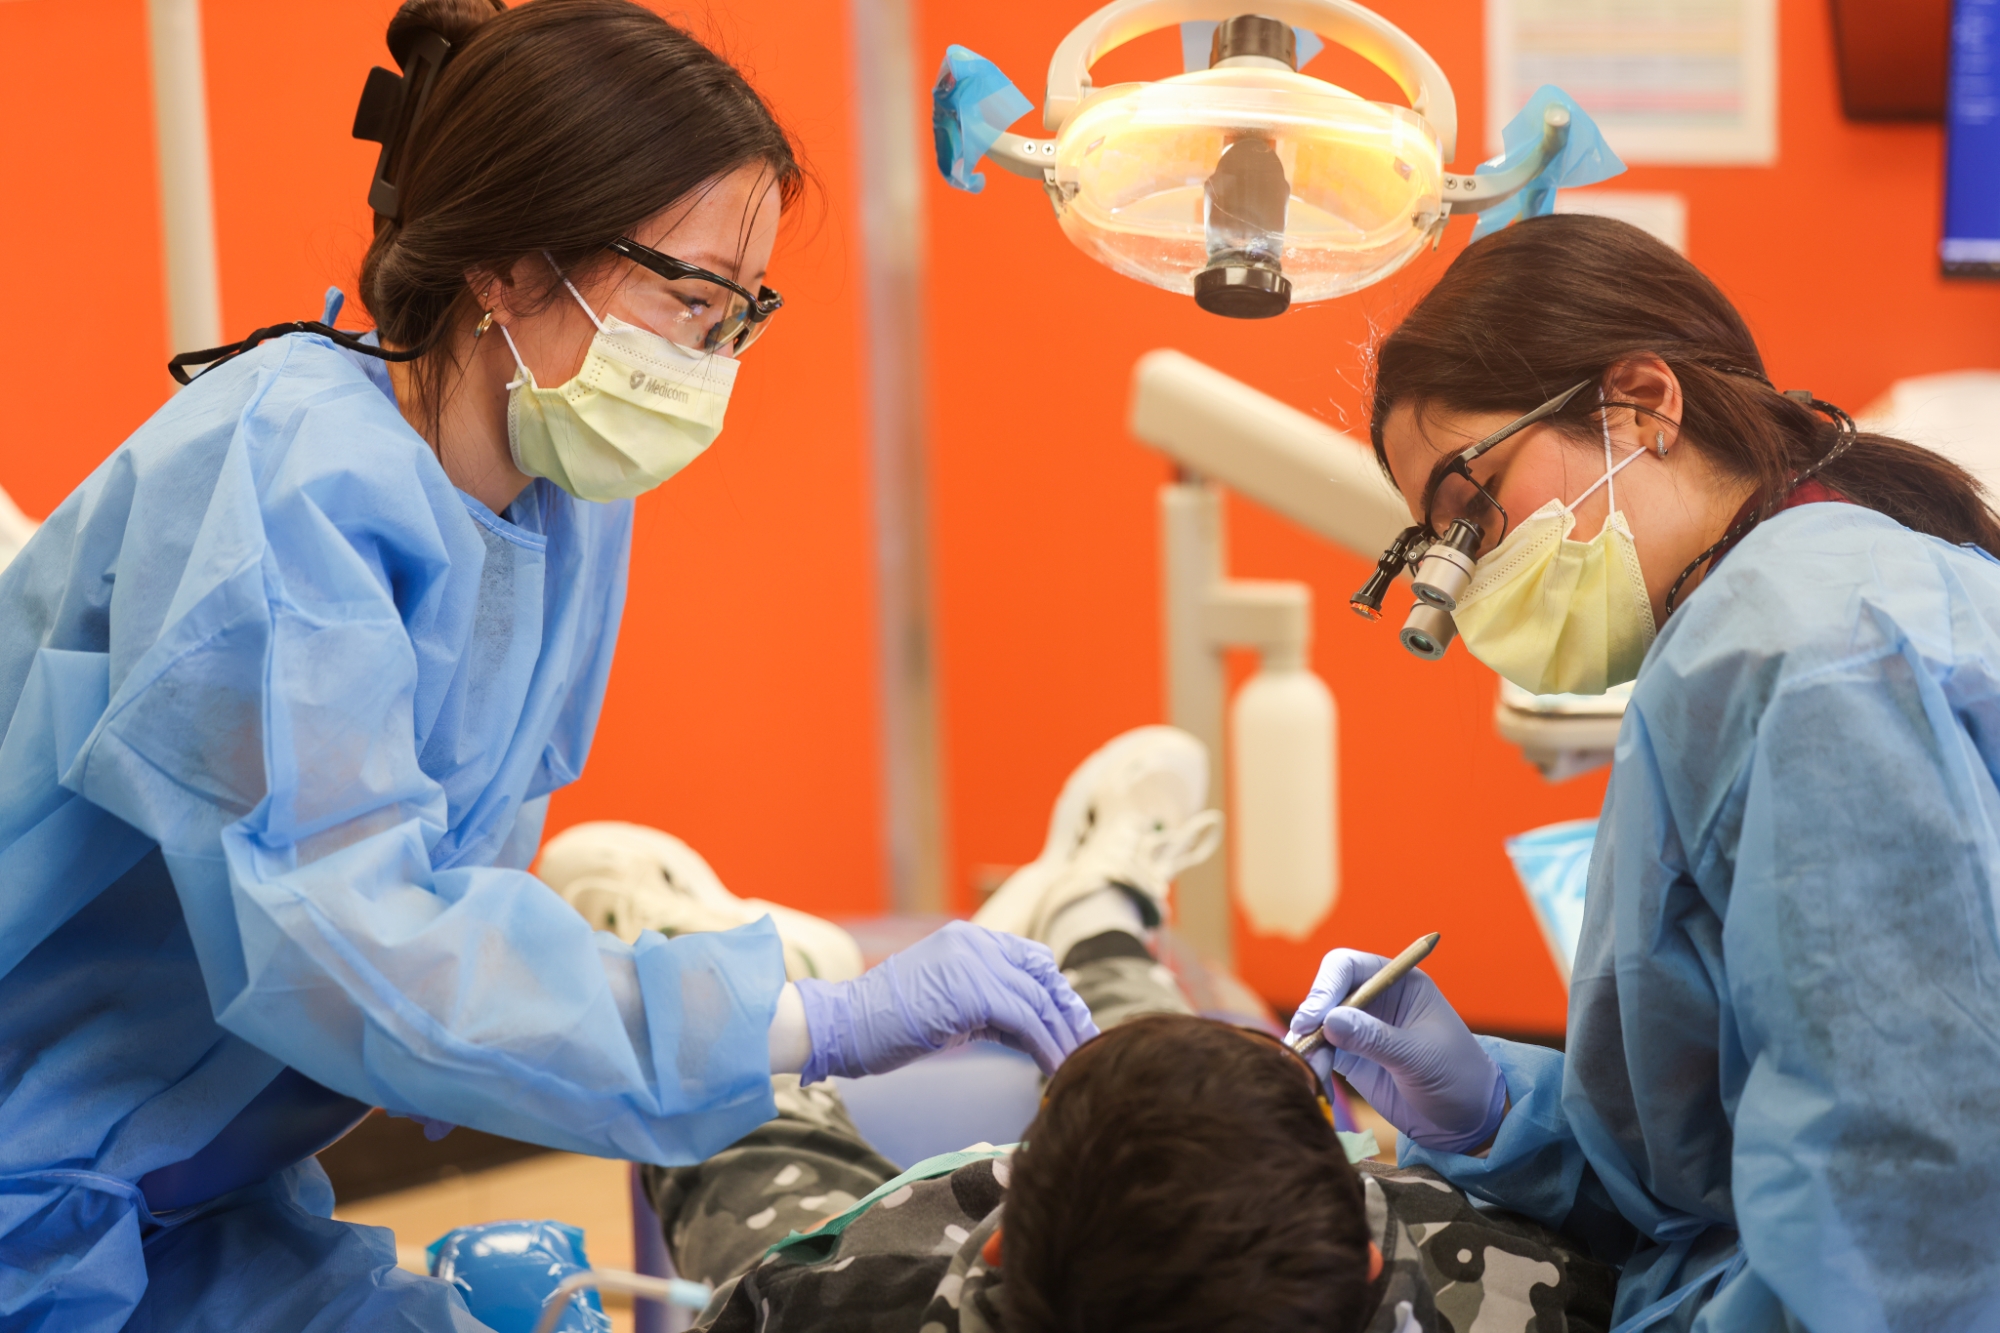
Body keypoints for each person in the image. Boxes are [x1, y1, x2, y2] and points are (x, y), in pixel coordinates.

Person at [0, 3, 1090, 1328]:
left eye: (739, 317)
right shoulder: (288, 482)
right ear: (508, 267)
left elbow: (458, 890)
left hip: (203, 1187)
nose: (704, 364)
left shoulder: (557, 497)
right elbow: (359, 944)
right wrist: (809, 1021)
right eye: (686, 299)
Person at [1289, 214, 2000, 1330]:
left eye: (1473, 513)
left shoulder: (1813, 664)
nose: (1469, 577)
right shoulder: (1764, 626)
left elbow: (1904, 1204)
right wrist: (1488, 1110)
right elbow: (1729, 1165)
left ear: (1638, 402)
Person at [633, 726, 1617, 1333]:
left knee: (756, 1171)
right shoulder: (1516, 1284)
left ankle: (694, 952)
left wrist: (795, 1020)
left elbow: (760, 1271)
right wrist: (1498, 1123)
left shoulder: (825, 1304)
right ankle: (1094, 906)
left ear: (992, 1249)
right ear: (1367, 1252)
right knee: (1185, 1094)